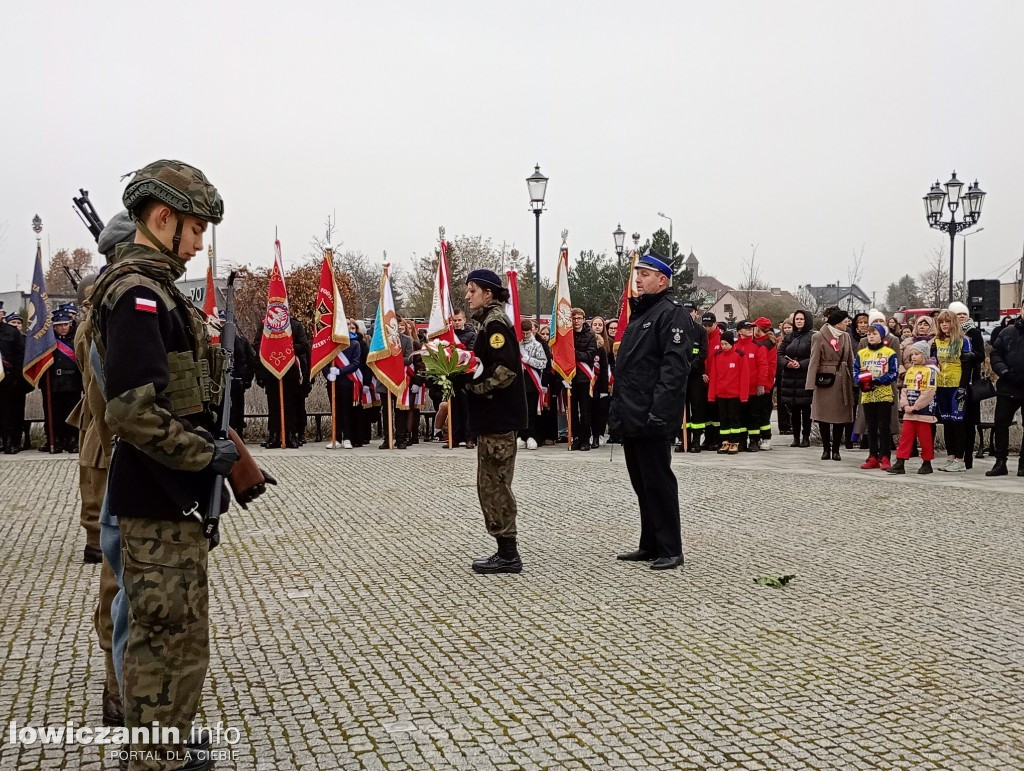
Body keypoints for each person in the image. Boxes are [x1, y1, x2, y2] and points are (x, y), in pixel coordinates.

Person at [87, 159, 269, 770]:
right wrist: (207, 456)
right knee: (164, 638)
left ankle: (164, 741)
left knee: (179, 635)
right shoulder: (137, 295)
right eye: (194, 231)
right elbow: (133, 412)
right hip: (156, 499)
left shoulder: (156, 290)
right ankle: (153, 758)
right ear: (161, 219)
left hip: (172, 499)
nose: (197, 246)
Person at [609, 253, 692, 570]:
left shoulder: (671, 315)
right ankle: (650, 544)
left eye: (645, 274)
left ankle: (671, 548)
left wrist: (659, 415)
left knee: (659, 482)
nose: (638, 279)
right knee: (642, 484)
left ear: (663, 279)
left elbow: (673, 372)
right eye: (637, 274)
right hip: (632, 415)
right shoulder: (641, 314)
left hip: (652, 418)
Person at [461, 269, 528, 574]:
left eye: (472, 290)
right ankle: (504, 550)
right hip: (493, 418)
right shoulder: (490, 322)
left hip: (498, 418)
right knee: (489, 484)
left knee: (495, 486)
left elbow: (506, 371)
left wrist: (474, 388)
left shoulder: (495, 324)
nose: (467, 295)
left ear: (488, 293)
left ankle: (508, 555)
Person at [807, 309, 855, 461]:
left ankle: (836, 450)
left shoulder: (846, 337)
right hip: (825, 380)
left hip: (842, 380)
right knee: (823, 415)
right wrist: (810, 383)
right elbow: (814, 360)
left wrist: (854, 379)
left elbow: (850, 360)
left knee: (840, 415)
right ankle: (826, 449)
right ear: (837, 323)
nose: (847, 324)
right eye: (844, 322)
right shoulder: (819, 336)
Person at [888, 341, 938, 475]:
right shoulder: (910, 371)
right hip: (909, 412)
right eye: (911, 355)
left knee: (925, 439)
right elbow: (904, 390)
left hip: (924, 412)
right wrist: (905, 405)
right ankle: (900, 461)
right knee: (905, 437)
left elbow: (929, 392)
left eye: (917, 354)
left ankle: (927, 462)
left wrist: (916, 406)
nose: (913, 357)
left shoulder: (930, 372)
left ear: (924, 355)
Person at [932, 310, 973, 472]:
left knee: (958, 423)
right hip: (941, 386)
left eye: (947, 322)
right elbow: (933, 363)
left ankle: (960, 459)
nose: (944, 325)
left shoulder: (963, 341)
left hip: (957, 386)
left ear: (953, 323)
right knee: (947, 422)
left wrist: (963, 386)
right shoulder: (936, 341)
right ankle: (950, 457)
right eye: (941, 322)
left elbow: (967, 366)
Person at [853, 324, 899, 470]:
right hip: (867, 394)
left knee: (883, 426)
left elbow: (893, 372)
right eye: (869, 334)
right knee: (870, 426)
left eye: (874, 334)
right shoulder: (862, 353)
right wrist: (859, 381)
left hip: (883, 393)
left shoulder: (889, 353)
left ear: (881, 336)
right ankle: (872, 456)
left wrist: (879, 380)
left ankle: (885, 456)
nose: (871, 336)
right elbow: (855, 370)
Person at [38, 308, 83, 453]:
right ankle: (54, 440)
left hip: (72, 382)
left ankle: (73, 440)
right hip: (53, 383)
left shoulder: (76, 339)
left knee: (72, 413)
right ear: (54, 326)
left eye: (66, 324)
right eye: (60, 325)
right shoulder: (48, 343)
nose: (64, 328)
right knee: (54, 414)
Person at [986, 313, 1024, 477]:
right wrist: (1005, 372)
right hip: (1008, 385)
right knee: (1001, 424)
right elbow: (996, 354)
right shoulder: (1007, 332)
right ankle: (1000, 462)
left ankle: (1023, 463)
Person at [950, 301, 986, 469]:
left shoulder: (974, 333)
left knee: (969, 422)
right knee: (955, 421)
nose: (962, 316)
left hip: (970, 382)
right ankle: (956, 455)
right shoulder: (949, 334)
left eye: (964, 313)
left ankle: (968, 458)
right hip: (953, 380)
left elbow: (981, 356)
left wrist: (970, 355)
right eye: (958, 314)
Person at [707, 330, 748, 455]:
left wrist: (743, 395)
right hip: (721, 393)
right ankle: (724, 441)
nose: (723, 346)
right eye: (722, 344)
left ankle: (735, 442)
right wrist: (711, 395)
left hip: (734, 394)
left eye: (726, 344)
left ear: (731, 343)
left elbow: (744, 377)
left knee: (734, 419)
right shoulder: (717, 355)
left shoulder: (739, 355)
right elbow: (713, 376)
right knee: (723, 419)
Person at [324, 320, 363, 449]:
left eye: (348, 324)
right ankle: (336, 437)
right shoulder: (331, 344)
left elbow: (355, 363)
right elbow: (324, 360)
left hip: (347, 381)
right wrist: (327, 373)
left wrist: (340, 371)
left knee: (347, 411)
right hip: (333, 382)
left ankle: (347, 438)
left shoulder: (354, 343)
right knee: (335, 410)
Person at [778, 309, 814, 447]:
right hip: (790, 376)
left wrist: (801, 364)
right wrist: (787, 363)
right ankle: (796, 437)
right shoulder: (789, 337)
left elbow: (814, 356)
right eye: (797, 319)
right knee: (793, 410)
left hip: (804, 376)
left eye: (802, 319)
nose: (799, 321)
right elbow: (780, 353)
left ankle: (806, 437)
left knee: (805, 409)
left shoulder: (812, 337)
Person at [732, 320, 767, 451]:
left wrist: (761, 384)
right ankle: (741, 440)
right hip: (738, 389)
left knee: (754, 415)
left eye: (751, 328)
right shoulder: (734, 346)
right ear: (739, 330)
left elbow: (763, 366)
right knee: (740, 415)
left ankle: (754, 440)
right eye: (746, 328)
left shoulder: (758, 346)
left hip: (753, 388)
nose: (749, 330)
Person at [680, 304, 709, 453]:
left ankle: (696, 439)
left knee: (697, 407)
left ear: (696, 313)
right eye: (685, 312)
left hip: (695, 374)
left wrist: (690, 366)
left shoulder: (701, 331)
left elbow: (703, 353)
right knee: (681, 408)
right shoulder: (677, 330)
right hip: (680, 375)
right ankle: (684, 439)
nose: (688, 314)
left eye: (690, 312)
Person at [568, 308, 598, 450]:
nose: (576, 321)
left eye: (579, 318)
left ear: (583, 319)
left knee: (585, 411)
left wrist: (574, 354)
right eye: (574, 318)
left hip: (584, 378)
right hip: (569, 377)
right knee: (572, 411)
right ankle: (577, 437)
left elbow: (589, 355)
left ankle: (586, 439)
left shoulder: (591, 335)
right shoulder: (566, 334)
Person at [0, 303, 28, 454]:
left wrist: (16, 378)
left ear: (2, 314)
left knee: (8, 413)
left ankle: (9, 442)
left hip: (7, 379)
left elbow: (19, 356)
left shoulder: (11, 332)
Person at [518, 319, 546, 450]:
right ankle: (520, 436)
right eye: (522, 333)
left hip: (532, 382)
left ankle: (531, 436)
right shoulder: (516, 344)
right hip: (518, 382)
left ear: (532, 331)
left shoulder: (537, 345)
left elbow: (543, 363)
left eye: (527, 333)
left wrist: (528, 360)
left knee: (531, 411)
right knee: (520, 411)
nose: (524, 336)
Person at [451, 308, 477, 449]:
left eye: (459, 320)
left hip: (467, 375)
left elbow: (471, 352)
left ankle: (469, 438)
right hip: (452, 375)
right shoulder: (448, 335)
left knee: (467, 408)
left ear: (464, 320)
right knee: (454, 408)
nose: (456, 323)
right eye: (454, 320)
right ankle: (454, 437)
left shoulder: (471, 335)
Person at [751, 317, 778, 450]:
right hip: (756, 383)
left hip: (764, 384)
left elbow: (768, 366)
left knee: (764, 411)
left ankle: (766, 437)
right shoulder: (756, 341)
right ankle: (758, 437)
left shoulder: (768, 344)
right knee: (756, 411)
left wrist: (764, 383)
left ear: (759, 329)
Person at [699, 312, 722, 450]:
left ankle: (717, 439)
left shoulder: (720, 339)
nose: (707, 328)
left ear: (715, 324)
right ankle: (708, 438)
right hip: (704, 380)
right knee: (706, 412)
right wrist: (702, 373)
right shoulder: (702, 338)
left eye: (709, 325)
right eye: (704, 325)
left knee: (716, 412)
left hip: (716, 381)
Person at [589, 315, 611, 448]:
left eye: (600, 325)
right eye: (595, 324)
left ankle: (600, 433)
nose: (597, 327)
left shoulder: (609, 342)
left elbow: (610, 363)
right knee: (590, 408)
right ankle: (592, 433)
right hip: (591, 379)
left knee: (603, 409)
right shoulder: (588, 341)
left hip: (605, 378)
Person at [776, 317, 794, 435]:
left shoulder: (796, 340)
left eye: (789, 327)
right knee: (781, 400)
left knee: (792, 401)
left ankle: (792, 424)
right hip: (781, 372)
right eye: (785, 327)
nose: (787, 329)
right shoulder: (779, 340)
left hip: (793, 372)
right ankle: (783, 425)